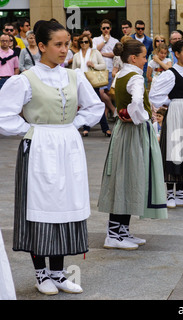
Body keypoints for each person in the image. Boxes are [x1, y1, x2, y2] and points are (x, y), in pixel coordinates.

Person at [0, 19, 104, 295]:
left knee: (65, 203)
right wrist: (31, 129)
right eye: (58, 44)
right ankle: (41, 273)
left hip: (67, 146)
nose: (64, 49)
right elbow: (3, 115)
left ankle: (58, 272)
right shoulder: (26, 79)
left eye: (66, 44)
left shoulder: (74, 76)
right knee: (40, 205)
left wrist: (74, 125)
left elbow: (94, 107)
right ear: (42, 46)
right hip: (39, 147)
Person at [98, 39, 167, 250]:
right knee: (127, 178)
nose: (146, 60)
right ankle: (113, 234)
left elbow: (123, 99)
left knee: (126, 178)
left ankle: (121, 230)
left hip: (123, 132)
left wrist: (130, 114)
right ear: (133, 58)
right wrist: (141, 117)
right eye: (144, 56)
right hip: (133, 132)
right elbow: (136, 102)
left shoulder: (120, 75)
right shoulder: (135, 76)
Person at [149, 40, 183, 209]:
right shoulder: (170, 74)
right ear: (177, 54)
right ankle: (170, 194)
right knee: (174, 149)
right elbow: (153, 94)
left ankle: (180, 194)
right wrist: (170, 101)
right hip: (177, 112)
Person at [72, 34, 112, 137]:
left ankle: (105, 128)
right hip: (81, 83)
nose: (84, 44)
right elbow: (73, 71)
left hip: (93, 82)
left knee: (97, 104)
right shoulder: (76, 55)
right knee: (84, 106)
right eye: (81, 42)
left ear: (89, 42)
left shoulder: (95, 53)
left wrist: (94, 65)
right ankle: (86, 128)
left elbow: (104, 65)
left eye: (86, 42)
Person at [93, 19, 119, 120]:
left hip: (112, 69)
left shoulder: (115, 41)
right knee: (101, 92)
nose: (106, 30)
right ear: (101, 29)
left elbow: (115, 54)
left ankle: (105, 115)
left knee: (109, 92)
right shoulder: (96, 39)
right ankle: (113, 110)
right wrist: (105, 41)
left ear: (110, 28)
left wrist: (102, 53)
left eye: (107, 28)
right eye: (104, 28)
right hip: (99, 70)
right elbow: (94, 51)